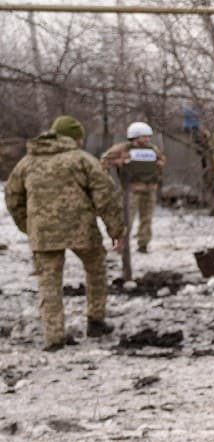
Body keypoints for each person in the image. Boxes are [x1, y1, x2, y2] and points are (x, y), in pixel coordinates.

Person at [5, 115, 124, 351]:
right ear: (75, 138)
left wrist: (29, 227)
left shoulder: (28, 162)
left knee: (49, 283)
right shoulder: (82, 160)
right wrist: (116, 230)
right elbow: (105, 195)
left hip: (44, 235)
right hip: (82, 231)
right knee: (96, 269)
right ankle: (96, 320)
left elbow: (12, 197)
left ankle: (54, 337)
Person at [101, 121, 165, 253]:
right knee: (126, 219)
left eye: (148, 136)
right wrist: (121, 162)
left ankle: (143, 244)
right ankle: (121, 245)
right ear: (135, 136)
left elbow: (161, 161)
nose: (147, 139)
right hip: (131, 190)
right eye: (144, 136)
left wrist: (157, 165)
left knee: (146, 219)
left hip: (149, 189)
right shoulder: (123, 149)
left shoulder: (152, 149)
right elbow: (104, 161)